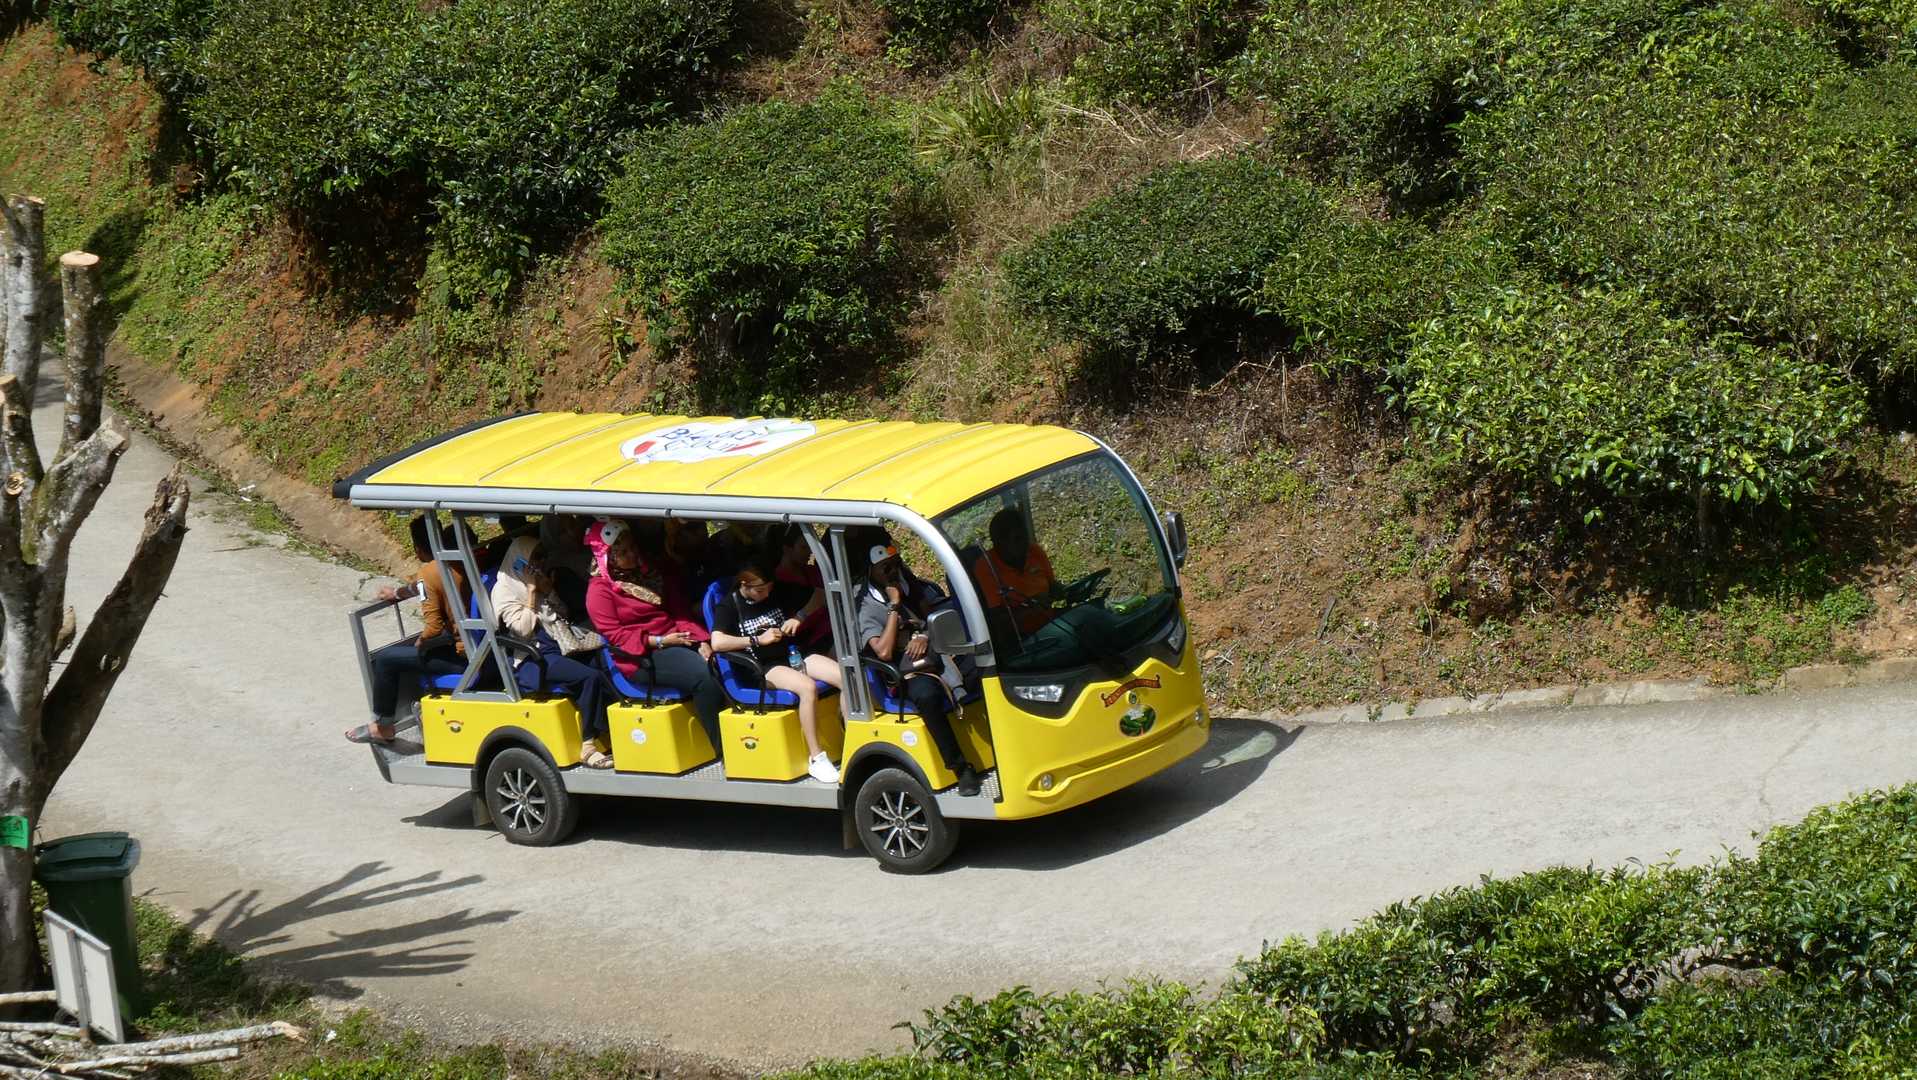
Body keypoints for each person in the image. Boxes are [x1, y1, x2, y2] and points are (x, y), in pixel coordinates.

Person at [585, 519, 727, 750]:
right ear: (608, 557)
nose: (632, 555)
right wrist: (660, 641)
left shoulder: (650, 573)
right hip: (641, 656)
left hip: (676, 639)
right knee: (705, 676)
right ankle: (721, 748)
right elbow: (616, 635)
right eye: (623, 553)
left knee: (723, 661)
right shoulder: (599, 590)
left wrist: (700, 640)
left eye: (632, 548)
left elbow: (679, 610)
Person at [858, 540, 981, 796]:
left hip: (935, 651)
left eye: (895, 564)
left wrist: (924, 635)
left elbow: (928, 619)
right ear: (871, 572)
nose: (893, 572)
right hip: (907, 668)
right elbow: (883, 651)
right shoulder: (866, 605)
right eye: (885, 568)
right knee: (926, 695)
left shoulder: (908, 586)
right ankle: (960, 768)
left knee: (985, 666)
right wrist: (894, 605)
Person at [711, 554, 844, 784]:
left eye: (769, 588)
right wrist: (757, 640)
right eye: (760, 590)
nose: (767, 595)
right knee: (807, 688)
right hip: (764, 667)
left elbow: (820, 594)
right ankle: (817, 757)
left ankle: (852, 741)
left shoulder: (777, 590)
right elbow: (718, 642)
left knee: (845, 676)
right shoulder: (729, 606)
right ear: (744, 585)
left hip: (794, 654)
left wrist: (799, 617)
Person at [493, 536, 617, 768]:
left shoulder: (539, 580)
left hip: (559, 644)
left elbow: (563, 614)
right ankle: (588, 745)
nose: (540, 563)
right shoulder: (505, 590)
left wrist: (548, 592)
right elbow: (522, 630)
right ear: (519, 559)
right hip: (534, 656)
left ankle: (610, 730)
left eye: (543, 557)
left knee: (603, 662)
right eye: (536, 558)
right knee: (588, 677)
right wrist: (532, 594)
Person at [348, 515, 472, 744]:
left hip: (464, 657)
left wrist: (420, 643)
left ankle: (383, 726)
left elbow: (433, 628)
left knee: (386, 659)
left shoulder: (430, 573)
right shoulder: (463, 563)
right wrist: (397, 593)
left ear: (418, 549)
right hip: (484, 649)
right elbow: (424, 587)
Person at [972, 508, 1063, 635]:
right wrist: (1031, 605)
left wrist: (1065, 591)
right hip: (1022, 638)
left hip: (1053, 622)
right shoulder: (986, 567)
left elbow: (1052, 587)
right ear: (1000, 544)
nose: (1025, 543)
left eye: (1026, 536)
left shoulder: (1034, 551)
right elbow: (997, 619)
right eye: (1018, 539)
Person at [772, 524, 831, 650]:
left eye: (810, 547)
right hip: (808, 641)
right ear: (787, 549)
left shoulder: (812, 571)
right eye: (803, 547)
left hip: (830, 629)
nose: (809, 552)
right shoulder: (778, 581)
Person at [537, 513, 594, 617]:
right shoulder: (558, 571)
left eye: (573, 524)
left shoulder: (587, 548)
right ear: (553, 537)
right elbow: (584, 602)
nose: (572, 532)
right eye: (563, 532)